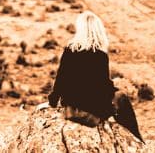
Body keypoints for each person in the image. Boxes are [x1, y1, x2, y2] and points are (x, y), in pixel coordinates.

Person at [37, 11, 143, 142]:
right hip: (91, 115)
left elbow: (61, 80)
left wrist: (52, 102)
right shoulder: (100, 55)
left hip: (71, 110)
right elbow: (103, 86)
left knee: (117, 96)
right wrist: (112, 95)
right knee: (121, 97)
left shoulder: (70, 50)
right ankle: (137, 137)